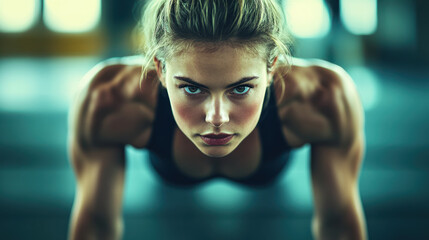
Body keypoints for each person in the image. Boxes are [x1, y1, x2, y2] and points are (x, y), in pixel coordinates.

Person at [67, 0, 367, 239]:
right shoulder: (107, 99)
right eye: (192, 88)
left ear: (272, 67)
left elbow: (339, 227)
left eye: (241, 88)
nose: (217, 118)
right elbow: (96, 227)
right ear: (160, 69)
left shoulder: (325, 99)